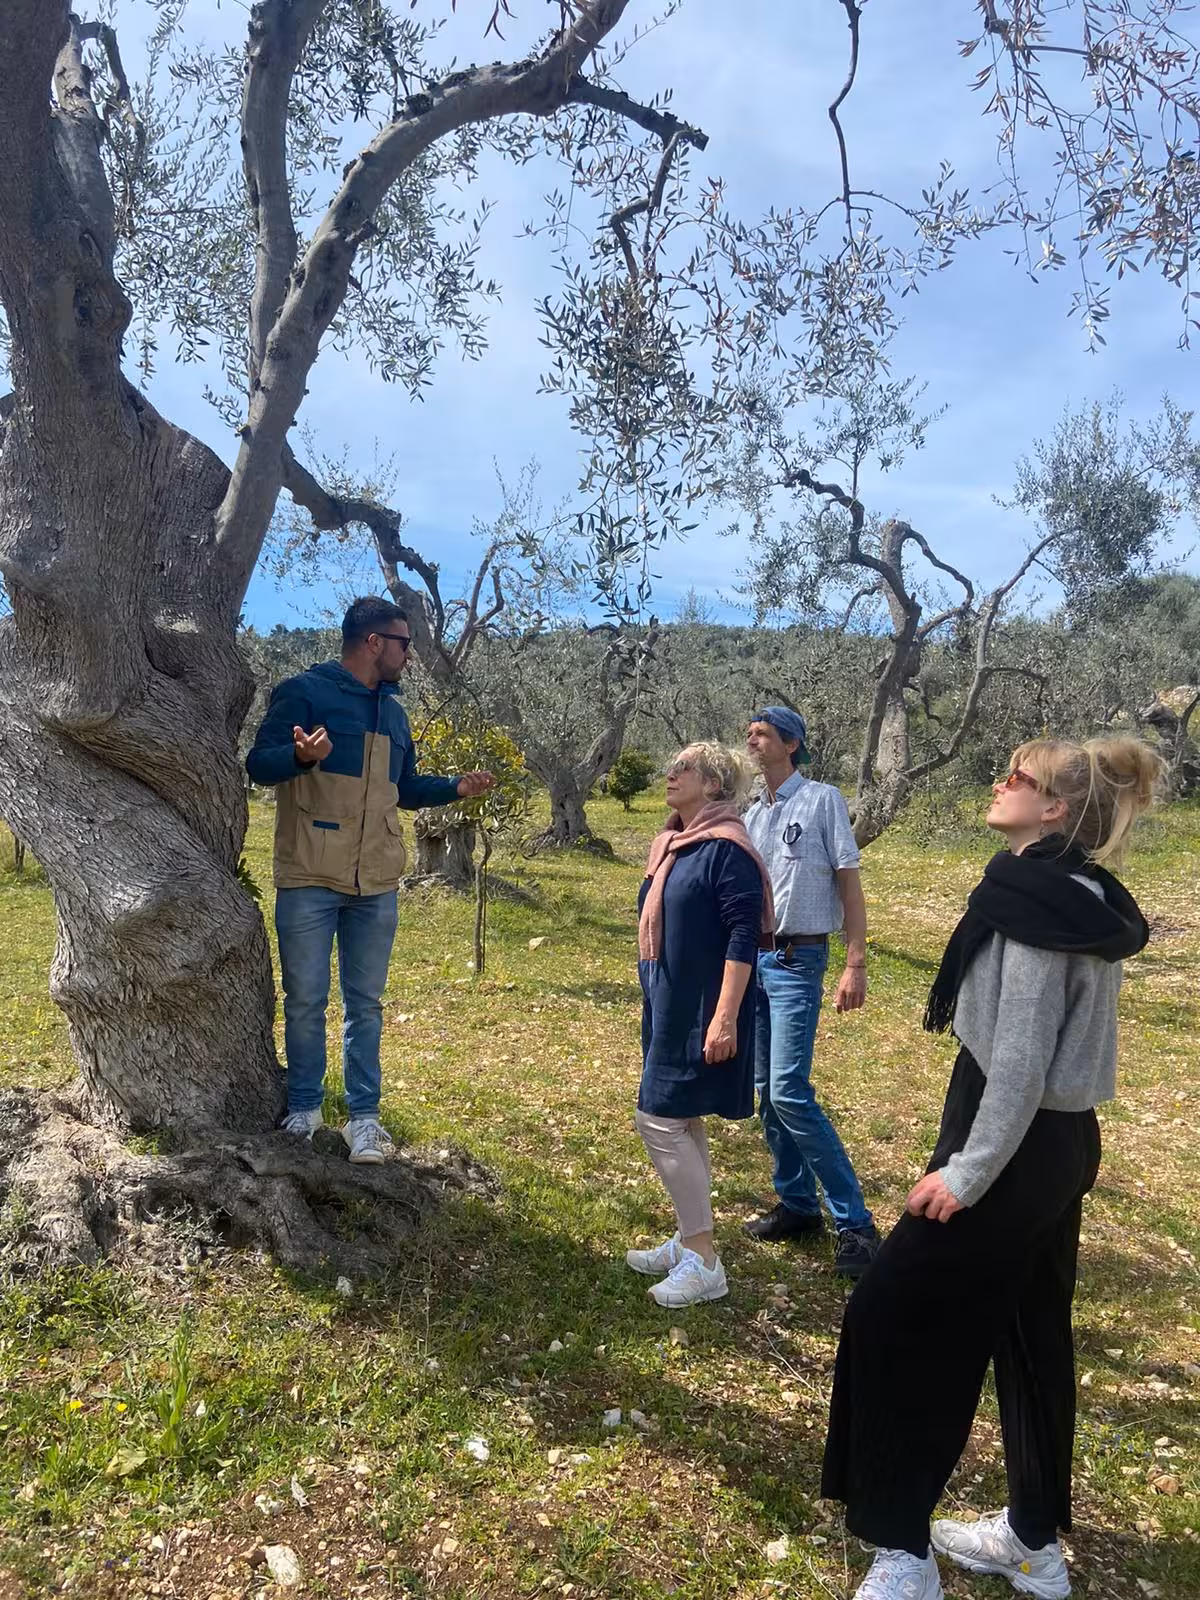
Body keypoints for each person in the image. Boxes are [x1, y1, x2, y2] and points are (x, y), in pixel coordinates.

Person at [821, 736, 1160, 1600]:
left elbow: (1018, 1060)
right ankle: (1033, 1544)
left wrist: (965, 1173)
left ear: (1053, 810)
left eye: (1017, 777)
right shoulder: (1074, 893)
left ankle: (904, 1552)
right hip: (1057, 1143)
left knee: (890, 1316)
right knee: (1029, 1334)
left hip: (1009, 1139)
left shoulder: (1042, 903)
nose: (997, 782)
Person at [246, 596, 493, 1163]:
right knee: (306, 1000)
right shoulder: (305, 693)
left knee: (366, 1004)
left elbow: (402, 789)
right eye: (405, 643)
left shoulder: (396, 713)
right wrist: (302, 758)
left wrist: (454, 787)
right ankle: (305, 1107)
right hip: (309, 872)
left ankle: (364, 1120)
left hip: (377, 879)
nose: (411, 654)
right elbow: (259, 764)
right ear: (374, 642)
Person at [626, 742, 775, 1308]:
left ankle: (705, 1260)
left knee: (657, 1119)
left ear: (713, 784)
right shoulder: (671, 845)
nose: (670, 774)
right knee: (681, 1118)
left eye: (683, 768)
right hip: (670, 999)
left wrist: (726, 1017)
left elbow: (744, 936)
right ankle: (691, 1239)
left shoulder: (726, 849)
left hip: (705, 1005)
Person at [742, 707, 881, 1279]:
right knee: (765, 1092)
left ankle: (856, 1224)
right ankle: (798, 1205)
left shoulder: (823, 800)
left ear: (792, 743)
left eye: (764, 733)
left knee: (790, 1091)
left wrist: (855, 961)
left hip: (800, 958)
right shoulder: (752, 813)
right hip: (753, 958)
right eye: (749, 733)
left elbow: (848, 881)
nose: (752, 740)